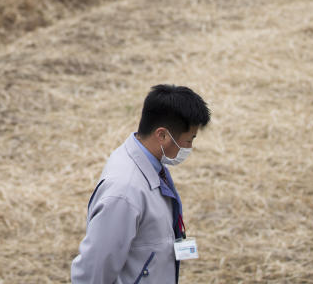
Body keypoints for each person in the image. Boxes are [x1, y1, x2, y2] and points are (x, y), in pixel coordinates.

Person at [71, 84, 211, 284]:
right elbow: (94, 272)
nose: (190, 148)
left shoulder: (151, 163)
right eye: (188, 141)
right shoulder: (124, 192)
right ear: (162, 135)